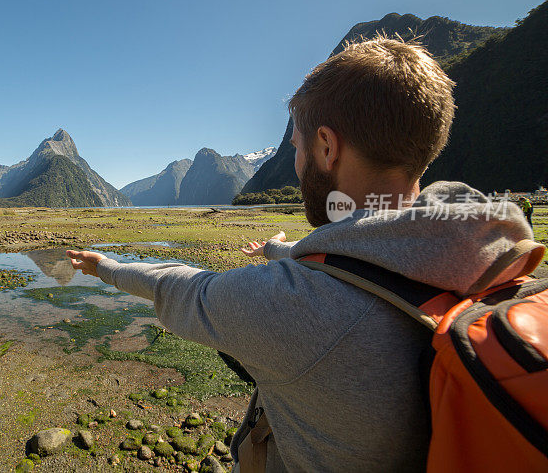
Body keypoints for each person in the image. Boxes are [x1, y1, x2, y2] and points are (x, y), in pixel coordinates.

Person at [66, 38, 533, 472]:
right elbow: (364, 257)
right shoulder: (491, 256)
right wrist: (277, 249)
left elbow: (181, 286)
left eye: (297, 146)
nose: (295, 160)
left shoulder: (291, 304)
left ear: (327, 147)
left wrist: (105, 266)